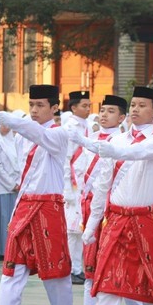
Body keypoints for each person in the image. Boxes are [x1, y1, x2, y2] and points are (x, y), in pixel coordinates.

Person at [83, 86, 153, 305]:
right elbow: (102, 186)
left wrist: (100, 147)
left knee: (152, 288)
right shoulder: (116, 142)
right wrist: (92, 224)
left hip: (148, 222)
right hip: (118, 222)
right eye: (133, 104)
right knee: (107, 287)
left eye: (142, 105)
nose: (135, 109)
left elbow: (139, 153)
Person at [0, 84, 76, 305]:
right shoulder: (25, 136)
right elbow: (25, 181)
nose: (35, 110)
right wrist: (15, 212)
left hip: (48, 209)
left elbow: (38, 133)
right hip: (25, 207)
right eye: (32, 105)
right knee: (11, 274)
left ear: (54, 108)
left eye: (41, 105)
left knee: (56, 276)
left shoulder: (59, 134)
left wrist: (13, 120)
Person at [69, 94, 148, 305]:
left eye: (111, 111)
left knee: (123, 267)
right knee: (91, 268)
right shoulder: (91, 140)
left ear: (122, 117)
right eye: (102, 110)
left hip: (113, 212)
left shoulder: (125, 143)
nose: (104, 115)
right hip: (89, 208)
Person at [63, 90, 92, 285]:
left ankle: (79, 267)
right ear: (73, 108)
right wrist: (67, 189)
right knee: (73, 231)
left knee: (81, 229)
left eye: (89, 105)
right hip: (73, 185)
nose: (88, 108)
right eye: (84, 105)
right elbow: (66, 158)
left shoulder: (86, 125)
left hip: (85, 183)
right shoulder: (70, 127)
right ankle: (73, 269)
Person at [0, 113, 20, 259]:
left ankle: (9, 248)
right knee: (1, 218)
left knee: (9, 218)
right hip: (1, 186)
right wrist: (10, 183)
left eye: (8, 125)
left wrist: (17, 182)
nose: (6, 128)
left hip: (13, 186)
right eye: (3, 124)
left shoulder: (10, 140)